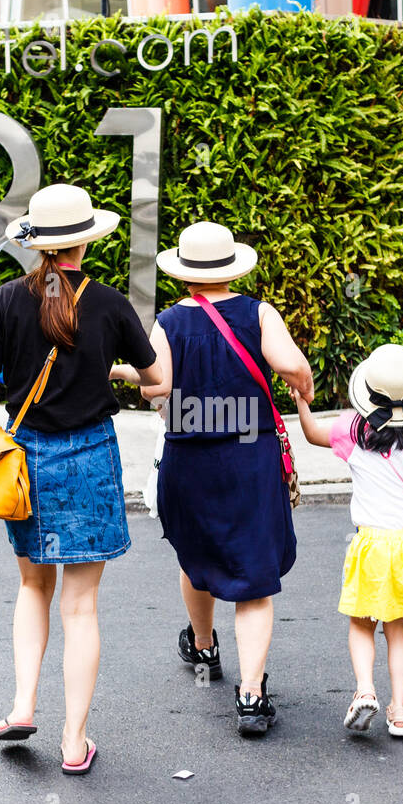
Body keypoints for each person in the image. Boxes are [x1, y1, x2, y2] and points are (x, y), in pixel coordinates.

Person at [0, 183, 162, 776]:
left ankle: (23, 705)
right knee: (82, 608)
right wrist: (116, 369)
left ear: (38, 243)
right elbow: (162, 381)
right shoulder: (108, 303)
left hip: (26, 460)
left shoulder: (6, 299)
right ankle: (74, 743)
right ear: (83, 241)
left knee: (33, 589)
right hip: (90, 459)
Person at [136, 222, 312, 737]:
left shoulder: (167, 322)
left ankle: (205, 648)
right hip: (247, 456)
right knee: (254, 578)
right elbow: (291, 365)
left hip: (187, 458)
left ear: (186, 275)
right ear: (232, 267)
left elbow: (155, 390)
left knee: (198, 556)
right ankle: (252, 697)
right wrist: (302, 389)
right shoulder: (258, 312)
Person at [295, 344, 403, 739]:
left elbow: (310, 435)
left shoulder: (350, 431)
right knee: (398, 631)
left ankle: (364, 690)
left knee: (361, 625)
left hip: (372, 545)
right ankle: (401, 713)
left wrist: (301, 402)